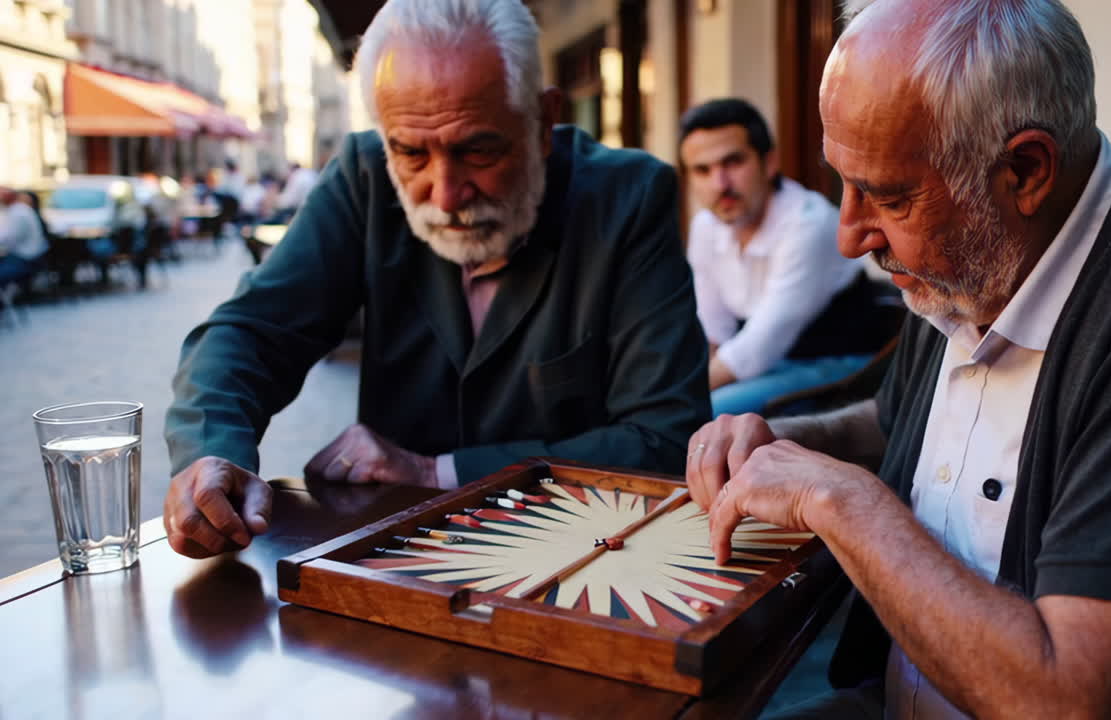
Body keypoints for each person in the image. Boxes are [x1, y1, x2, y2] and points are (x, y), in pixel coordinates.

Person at [688, 0, 1111, 717]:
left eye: (887, 196)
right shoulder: (975, 255)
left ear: (1025, 170)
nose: (849, 237)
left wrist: (835, 497)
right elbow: (888, 417)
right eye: (842, 181)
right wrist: (786, 445)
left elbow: (1067, 698)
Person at [163, 0, 709, 559]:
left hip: (586, 555)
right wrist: (212, 453)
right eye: (410, 152)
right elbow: (251, 332)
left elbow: (665, 438)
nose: (445, 193)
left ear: (544, 122)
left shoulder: (628, 199)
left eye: (477, 150)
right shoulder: (364, 176)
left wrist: (434, 471)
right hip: (392, 560)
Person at [679, 98, 880, 417]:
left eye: (732, 162)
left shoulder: (808, 222)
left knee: (705, 415)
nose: (720, 184)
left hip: (837, 366)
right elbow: (711, 330)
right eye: (702, 170)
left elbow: (764, 341)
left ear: (769, 162)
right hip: (765, 363)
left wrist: (678, 396)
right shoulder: (706, 226)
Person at [0, 186, 48, 288]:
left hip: (24, 259)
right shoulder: (18, 210)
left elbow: (9, 238)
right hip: (27, 256)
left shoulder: (18, 213)